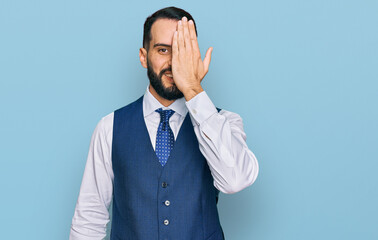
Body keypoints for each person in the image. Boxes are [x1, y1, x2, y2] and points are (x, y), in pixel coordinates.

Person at [70, 6, 259, 240]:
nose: (173, 63)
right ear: (143, 56)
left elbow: (235, 180)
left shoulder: (224, 122)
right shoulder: (109, 128)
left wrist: (193, 89)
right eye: (163, 50)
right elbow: (89, 218)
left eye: (182, 51)